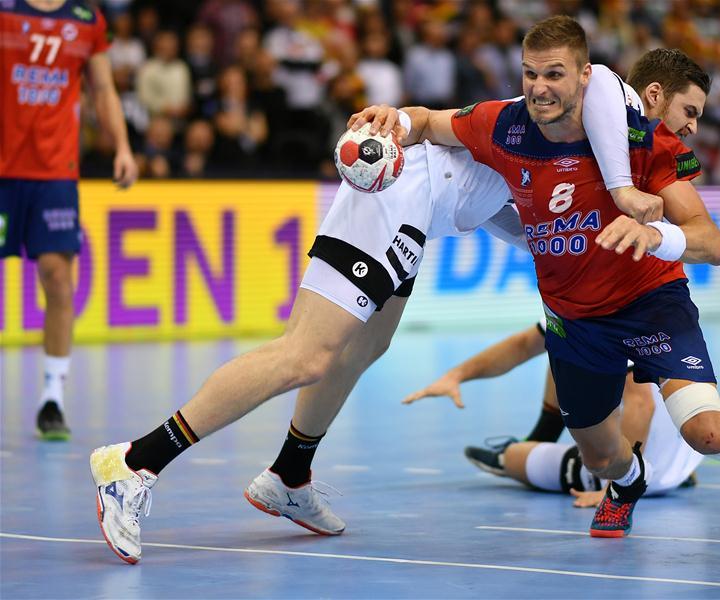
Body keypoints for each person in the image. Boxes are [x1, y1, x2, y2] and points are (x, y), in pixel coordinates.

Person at [351, 17, 720, 569]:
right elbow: (429, 122)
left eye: (554, 74)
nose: (539, 87)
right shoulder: (502, 126)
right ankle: (627, 484)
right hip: (575, 322)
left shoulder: (644, 143)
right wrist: (395, 119)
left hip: (652, 302)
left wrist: (656, 234)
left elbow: (713, 243)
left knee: (708, 430)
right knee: (602, 459)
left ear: (585, 77)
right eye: (531, 74)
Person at [87, 53, 657, 563]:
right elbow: (592, 88)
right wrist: (400, 120)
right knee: (305, 355)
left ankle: (289, 473)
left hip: (423, 215)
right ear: (652, 97)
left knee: (368, 344)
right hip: (399, 192)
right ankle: (135, 462)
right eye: (688, 113)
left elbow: (520, 217)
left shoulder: (573, 149)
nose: (690, 131)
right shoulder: (607, 99)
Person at [1, 0, 138, 440]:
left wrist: (122, 147)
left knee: (58, 278)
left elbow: (102, 91)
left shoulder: (86, 18)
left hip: (55, 172)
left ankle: (52, 398)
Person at [402, 320, 703, 505]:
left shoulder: (595, 308)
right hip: (688, 451)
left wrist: (616, 489)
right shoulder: (628, 296)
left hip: (644, 475)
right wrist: (457, 375)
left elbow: (640, 403)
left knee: (516, 458)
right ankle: (668, 470)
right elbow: (523, 345)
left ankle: (538, 445)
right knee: (561, 343)